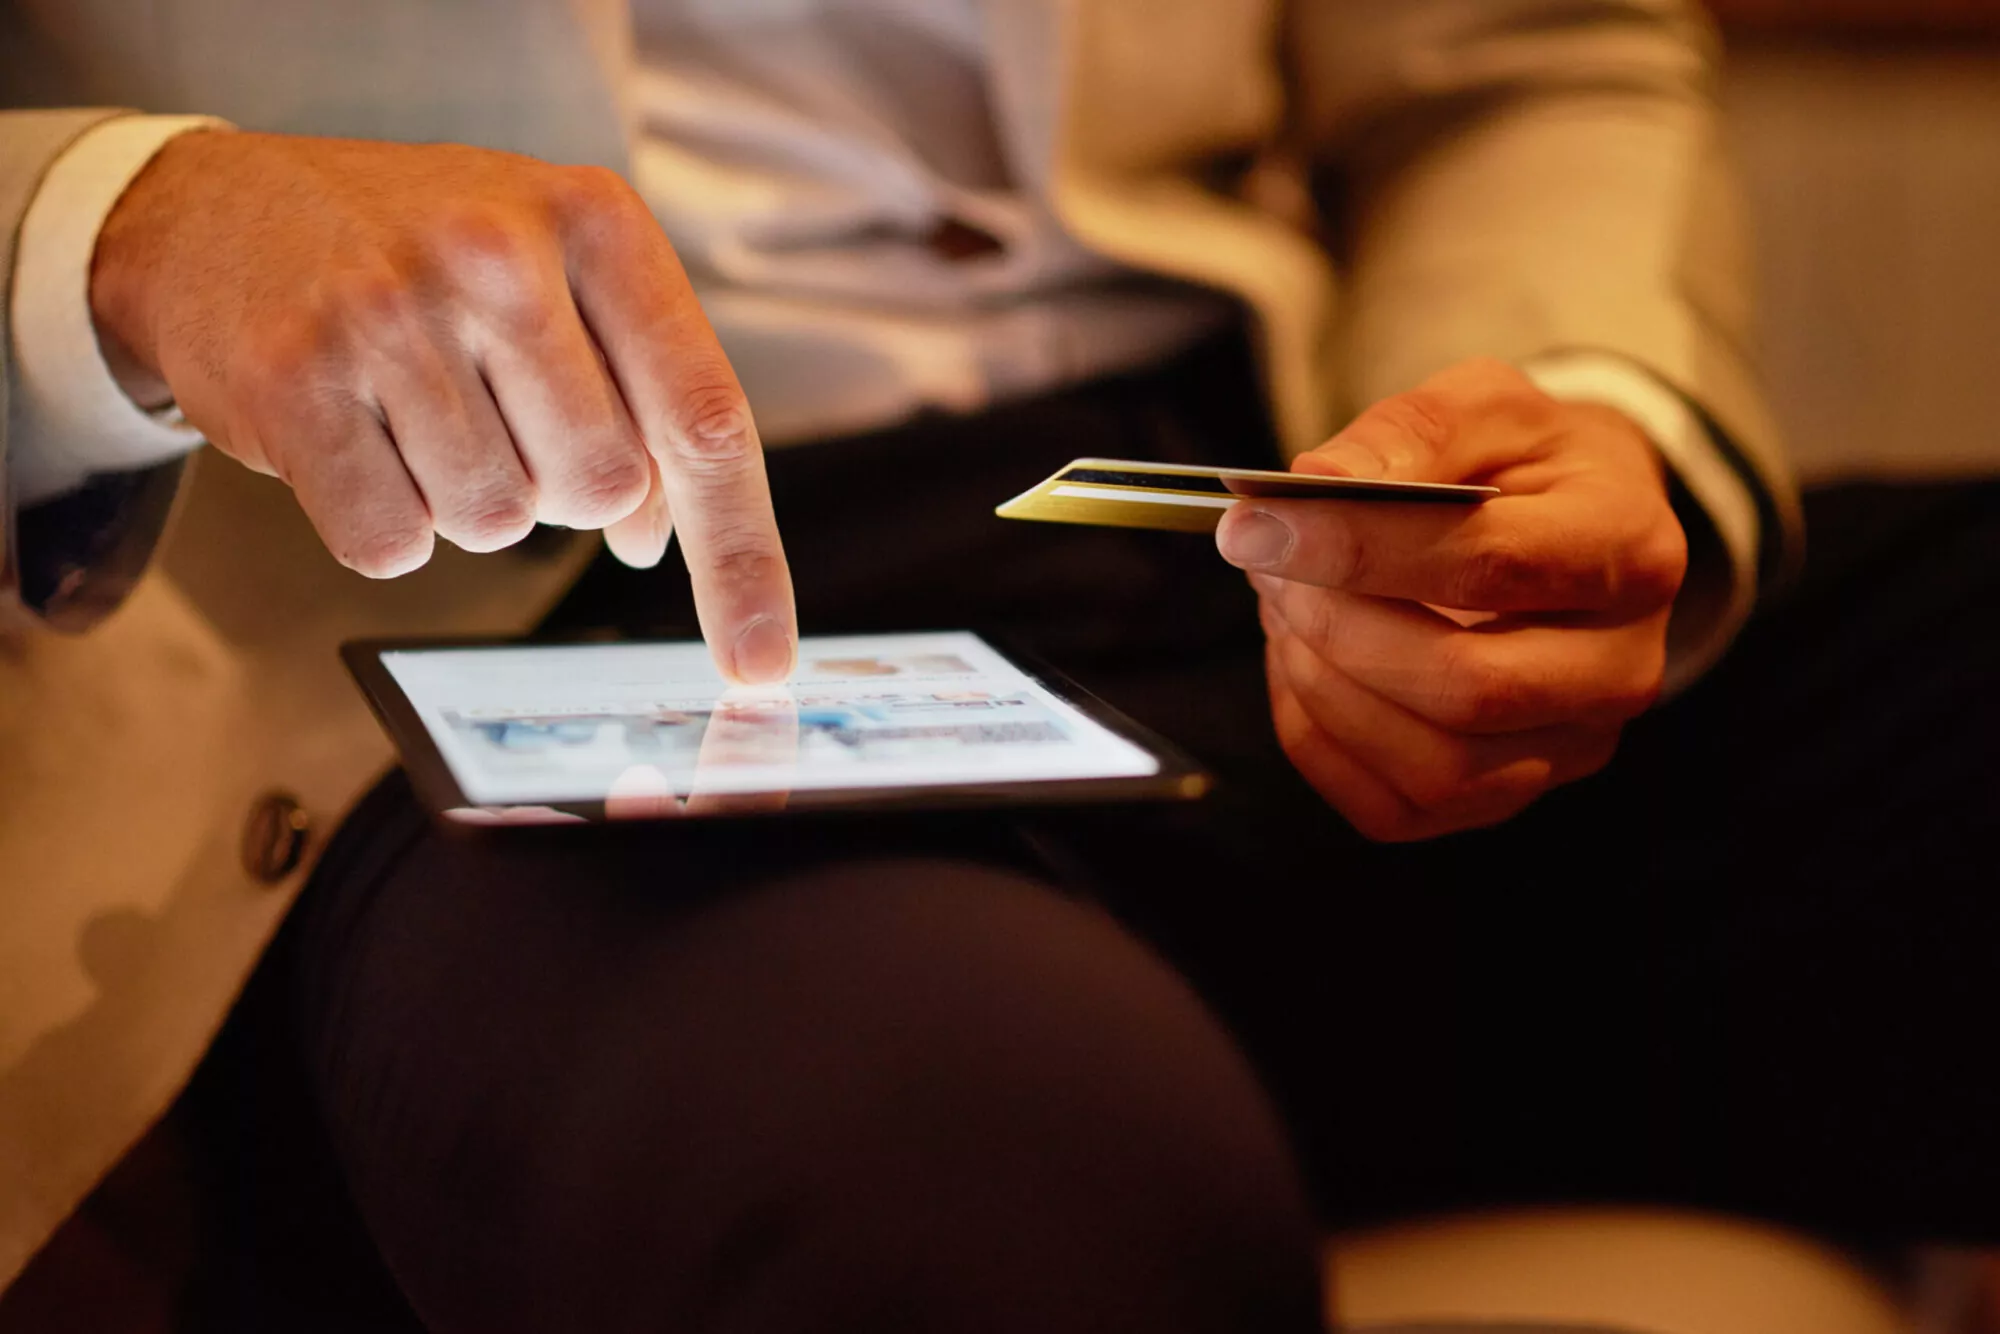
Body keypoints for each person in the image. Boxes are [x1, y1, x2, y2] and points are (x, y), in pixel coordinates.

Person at [6, 0, 1997, 1328]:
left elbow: (1516, 66)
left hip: (1273, 518)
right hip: (496, 612)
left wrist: (1550, 411)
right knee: (979, 1187)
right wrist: (126, 225)